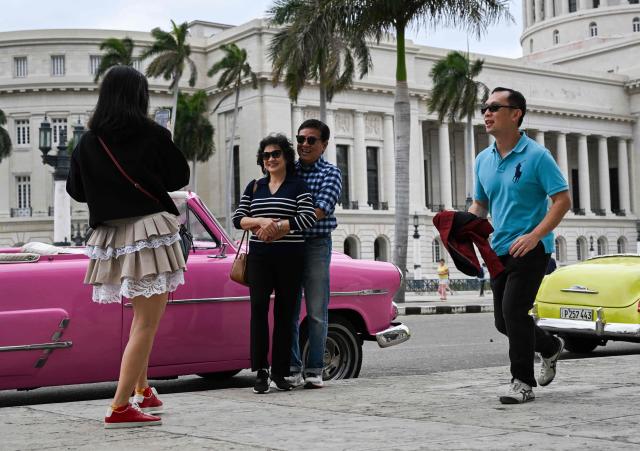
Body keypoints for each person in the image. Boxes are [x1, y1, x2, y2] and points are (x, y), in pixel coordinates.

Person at [66, 66, 190, 428]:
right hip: (148, 230)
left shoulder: (89, 141)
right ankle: (120, 406)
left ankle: (143, 388)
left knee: (140, 316)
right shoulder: (151, 133)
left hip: (111, 237)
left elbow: (76, 190)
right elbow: (178, 178)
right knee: (147, 321)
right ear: (140, 96)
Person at [470, 87, 571, 404]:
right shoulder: (483, 159)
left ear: (516, 114)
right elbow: (480, 205)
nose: (486, 113)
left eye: (494, 107)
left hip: (532, 249)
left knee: (514, 311)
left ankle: (522, 383)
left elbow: (562, 200)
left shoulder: (538, 156)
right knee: (504, 322)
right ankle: (550, 345)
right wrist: (461, 227)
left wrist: (535, 235)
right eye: (484, 107)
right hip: (499, 250)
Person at [232, 134, 316, 394]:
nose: (270, 159)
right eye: (266, 155)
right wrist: (261, 222)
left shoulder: (298, 186)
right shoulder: (254, 187)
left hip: (291, 258)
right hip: (259, 258)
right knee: (258, 310)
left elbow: (307, 218)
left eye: (276, 154)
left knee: (285, 314)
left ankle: (280, 372)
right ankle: (261, 371)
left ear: (286, 157)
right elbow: (238, 218)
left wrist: (278, 226)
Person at [281, 119, 342, 389]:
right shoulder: (288, 170)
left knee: (317, 310)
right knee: (289, 310)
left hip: (317, 244)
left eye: (311, 140)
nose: (304, 144)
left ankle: (315, 368)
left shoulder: (331, 173)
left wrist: (284, 222)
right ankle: (293, 368)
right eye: (301, 139)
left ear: (324, 145)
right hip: (289, 245)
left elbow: (320, 210)